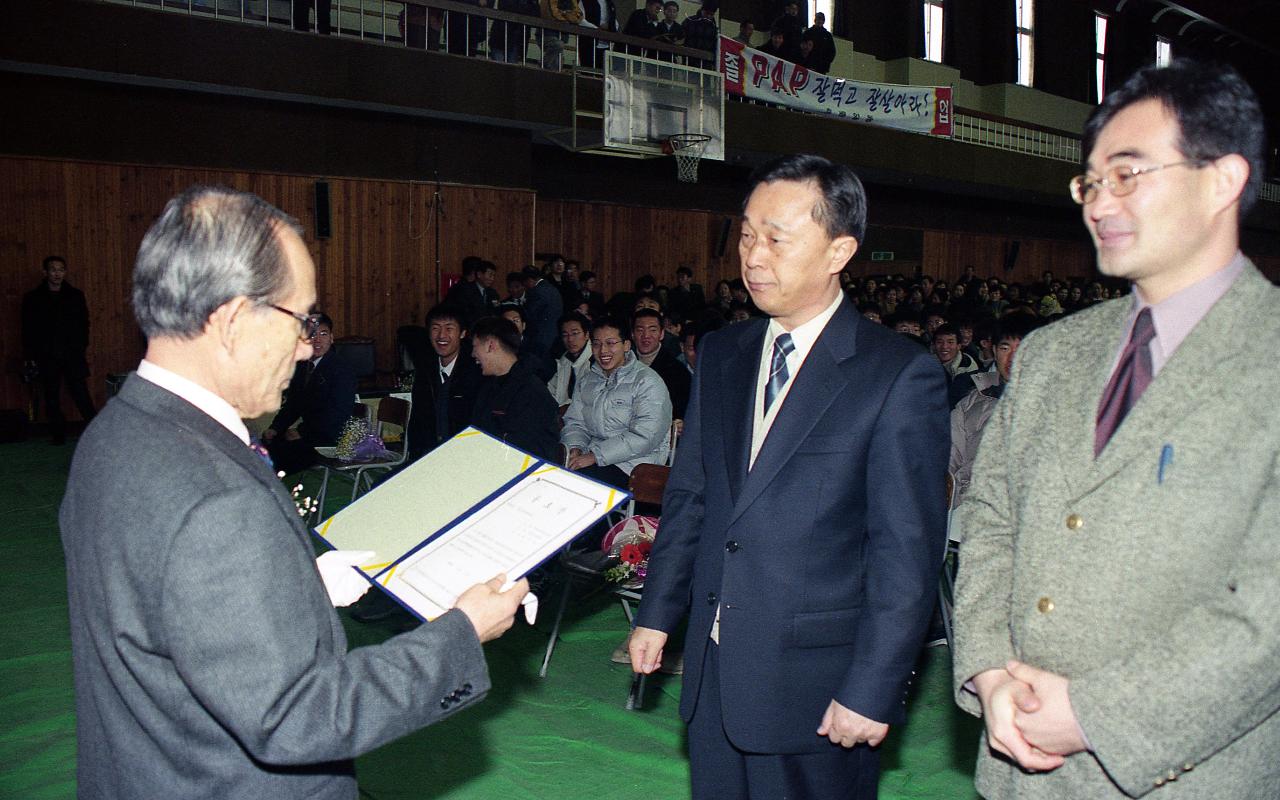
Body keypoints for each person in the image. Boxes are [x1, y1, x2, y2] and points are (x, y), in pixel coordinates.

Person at [59, 186, 528, 799]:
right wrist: (462, 632)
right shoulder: (217, 498)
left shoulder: (112, 433)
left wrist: (302, 583)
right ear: (230, 320)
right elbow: (298, 717)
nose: (308, 343)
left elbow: (173, 618)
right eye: (301, 319)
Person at [953, 59, 1280, 799]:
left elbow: (1268, 612)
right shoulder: (1050, 354)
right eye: (1090, 183)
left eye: (1128, 174)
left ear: (1223, 179)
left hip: (1194, 775)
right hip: (1020, 770)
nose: (1100, 203)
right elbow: (992, 518)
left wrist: (1097, 714)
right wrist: (990, 670)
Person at [630, 154, 948, 799]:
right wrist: (657, 613)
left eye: (777, 238)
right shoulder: (723, 352)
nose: (753, 255)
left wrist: (872, 687)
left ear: (839, 251)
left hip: (818, 685)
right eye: (747, 235)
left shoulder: (895, 375)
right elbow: (692, 496)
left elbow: (906, 552)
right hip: (716, 667)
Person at [560, 314, 672, 494]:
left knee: (578, 487)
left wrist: (596, 456)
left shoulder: (647, 381)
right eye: (596, 344)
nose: (603, 351)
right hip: (593, 457)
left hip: (636, 464)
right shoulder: (588, 380)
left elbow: (646, 434)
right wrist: (574, 447)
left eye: (611, 343)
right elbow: (575, 422)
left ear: (626, 345)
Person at [947, 316, 1036, 504]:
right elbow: (951, 454)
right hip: (968, 506)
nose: (1013, 358)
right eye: (1005, 348)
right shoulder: (971, 402)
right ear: (994, 351)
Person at [261, 312, 358, 475]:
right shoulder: (302, 367)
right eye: (312, 335)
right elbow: (293, 405)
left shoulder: (341, 369)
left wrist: (302, 433)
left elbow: (338, 414)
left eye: (323, 334)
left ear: (332, 338)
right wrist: (275, 428)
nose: (318, 340)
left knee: (276, 456)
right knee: (264, 445)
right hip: (309, 433)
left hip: (330, 436)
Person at [22, 255, 96, 444]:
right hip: (47, 355)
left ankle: (97, 432)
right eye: (53, 270)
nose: (57, 273)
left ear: (65, 272)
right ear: (45, 272)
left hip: (72, 353)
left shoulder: (75, 296)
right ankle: (58, 435)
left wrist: (80, 347)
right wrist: (31, 355)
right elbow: (28, 329)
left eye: (61, 270)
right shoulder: (32, 299)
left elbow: (83, 324)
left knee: (81, 395)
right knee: (51, 396)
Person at [469, 316, 560, 461]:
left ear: (490, 345)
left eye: (474, 347)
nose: (473, 354)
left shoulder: (532, 392)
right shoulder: (488, 388)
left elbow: (528, 450)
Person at [406, 305, 482, 461]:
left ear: (462, 333)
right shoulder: (425, 369)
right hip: (429, 455)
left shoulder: (476, 372)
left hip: (465, 457)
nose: (442, 335)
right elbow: (417, 420)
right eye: (435, 328)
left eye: (449, 329)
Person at [631, 307, 691, 423]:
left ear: (662, 334)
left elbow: (679, 414)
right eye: (640, 330)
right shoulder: (622, 365)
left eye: (652, 330)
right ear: (632, 334)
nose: (646, 335)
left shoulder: (677, 370)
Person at [548, 312, 593, 406]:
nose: (570, 339)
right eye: (565, 335)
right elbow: (551, 389)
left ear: (587, 335)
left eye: (575, 333)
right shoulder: (564, 360)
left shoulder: (594, 360)